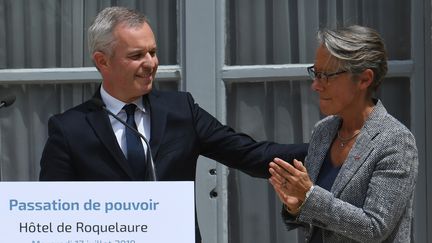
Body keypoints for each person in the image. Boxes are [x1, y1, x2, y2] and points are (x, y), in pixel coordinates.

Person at [39, 6, 307, 242]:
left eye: (153, 52)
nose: (151, 64)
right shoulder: (69, 129)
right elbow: (54, 213)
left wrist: (331, 148)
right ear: (102, 61)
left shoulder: (181, 111)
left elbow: (251, 155)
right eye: (137, 55)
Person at [269, 25, 418, 242]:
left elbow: (374, 228)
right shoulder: (324, 131)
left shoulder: (395, 141)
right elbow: (317, 219)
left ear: (365, 79)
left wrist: (310, 196)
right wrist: (296, 206)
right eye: (315, 73)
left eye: (326, 75)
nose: (316, 85)